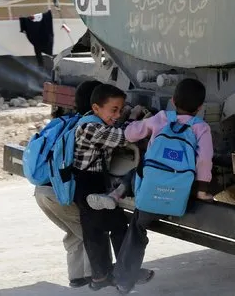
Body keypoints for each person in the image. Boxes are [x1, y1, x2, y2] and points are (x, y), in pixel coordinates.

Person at [112, 78, 215, 294]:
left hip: (150, 194)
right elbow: (204, 159)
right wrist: (202, 189)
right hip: (180, 197)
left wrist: (132, 123)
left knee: (138, 228)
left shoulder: (160, 119)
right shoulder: (201, 128)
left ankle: (124, 279)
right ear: (200, 107)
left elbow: (131, 134)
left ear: (173, 100)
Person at [72, 84, 154, 290]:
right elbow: (121, 137)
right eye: (114, 110)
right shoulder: (91, 128)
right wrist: (142, 122)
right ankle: (127, 272)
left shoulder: (95, 121)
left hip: (90, 184)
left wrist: (126, 116)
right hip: (87, 185)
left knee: (94, 230)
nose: (117, 115)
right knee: (117, 225)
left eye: (120, 109)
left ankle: (100, 277)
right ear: (96, 108)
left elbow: (115, 128)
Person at [32, 79, 101, 288]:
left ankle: (77, 277)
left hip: (43, 191)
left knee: (75, 231)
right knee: (90, 229)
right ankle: (97, 275)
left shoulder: (68, 121)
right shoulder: (89, 127)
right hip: (58, 192)